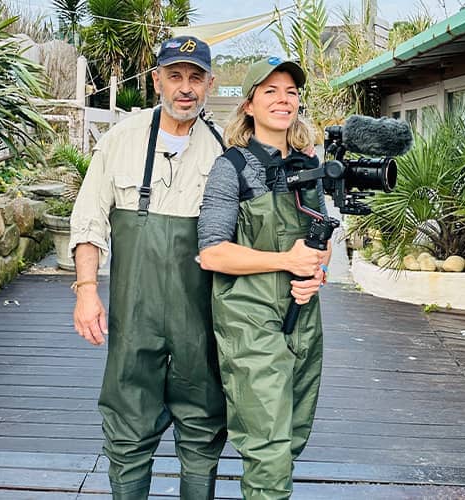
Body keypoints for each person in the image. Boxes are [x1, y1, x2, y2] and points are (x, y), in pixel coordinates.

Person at [69, 36, 227, 500]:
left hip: (202, 320)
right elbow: (88, 221)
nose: (185, 88)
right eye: (175, 76)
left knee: (202, 427)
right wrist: (85, 290)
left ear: (209, 84)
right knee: (126, 426)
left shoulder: (226, 149)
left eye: (195, 78)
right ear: (156, 79)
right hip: (132, 319)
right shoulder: (121, 139)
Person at [197, 57, 330, 499]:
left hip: (303, 312)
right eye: (270, 91)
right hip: (249, 315)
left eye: (291, 92)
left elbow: (320, 237)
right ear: (249, 104)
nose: (283, 99)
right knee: (268, 444)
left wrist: (316, 271)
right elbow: (212, 253)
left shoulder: (309, 165)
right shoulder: (231, 167)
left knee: (292, 433)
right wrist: (286, 261)